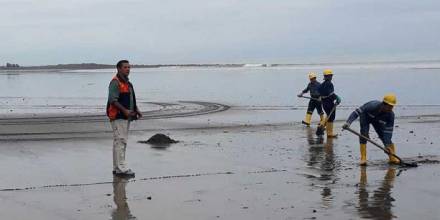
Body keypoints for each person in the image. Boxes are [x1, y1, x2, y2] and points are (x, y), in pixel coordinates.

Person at [107, 60, 142, 176]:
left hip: (125, 116)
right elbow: (113, 100)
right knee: (121, 141)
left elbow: (131, 99)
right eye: (125, 67)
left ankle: (117, 167)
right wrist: (125, 110)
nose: (128, 69)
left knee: (119, 142)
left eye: (129, 67)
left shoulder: (128, 83)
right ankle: (121, 168)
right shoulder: (115, 82)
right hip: (118, 116)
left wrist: (136, 109)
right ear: (119, 69)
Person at [342, 94, 400, 165]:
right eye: (390, 106)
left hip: (378, 120)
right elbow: (356, 113)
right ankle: (363, 158)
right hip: (365, 117)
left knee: (383, 135)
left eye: (392, 106)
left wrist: (387, 145)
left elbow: (388, 132)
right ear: (384, 104)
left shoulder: (390, 115)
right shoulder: (371, 106)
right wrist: (348, 122)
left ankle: (392, 158)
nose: (391, 108)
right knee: (364, 134)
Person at [318, 69, 341, 138]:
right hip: (329, 103)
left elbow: (320, 93)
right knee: (331, 117)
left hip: (324, 103)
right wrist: (337, 97)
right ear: (327, 76)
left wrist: (321, 98)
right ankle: (329, 133)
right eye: (330, 76)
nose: (331, 77)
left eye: (331, 75)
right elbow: (330, 94)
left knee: (329, 116)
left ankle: (322, 126)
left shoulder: (321, 85)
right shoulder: (330, 84)